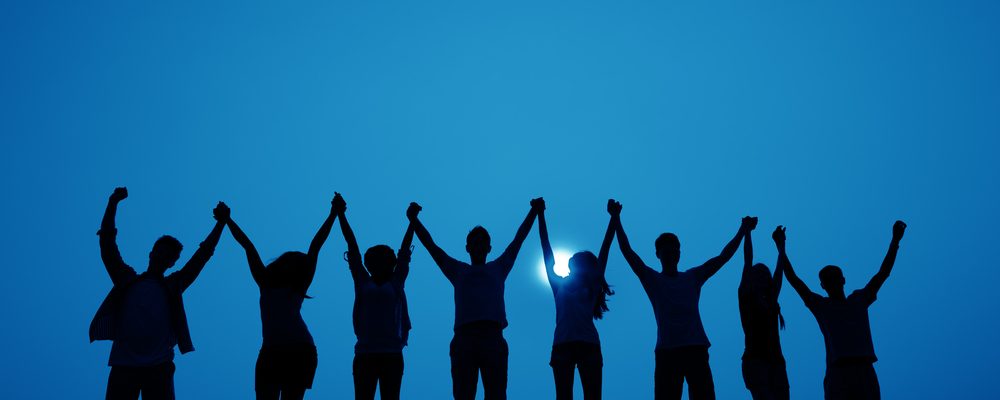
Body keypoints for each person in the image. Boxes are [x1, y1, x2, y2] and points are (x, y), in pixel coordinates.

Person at [90, 187, 227, 400]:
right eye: (161, 252)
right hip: (123, 364)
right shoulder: (127, 279)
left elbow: (201, 256)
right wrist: (113, 202)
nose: (163, 257)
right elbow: (107, 244)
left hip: (159, 365)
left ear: (172, 262)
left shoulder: (173, 284)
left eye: (169, 256)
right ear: (152, 253)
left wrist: (221, 224)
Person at [614, 199, 755, 400]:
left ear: (679, 253)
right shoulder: (652, 279)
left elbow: (723, 257)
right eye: (666, 250)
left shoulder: (693, 277)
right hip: (667, 353)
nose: (671, 253)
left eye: (674, 249)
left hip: (695, 349)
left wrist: (743, 230)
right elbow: (628, 252)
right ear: (658, 254)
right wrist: (617, 218)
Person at [408, 198, 542, 400]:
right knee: (463, 394)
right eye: (475, 242)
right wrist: (413, 220)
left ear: (489, 248)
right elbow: (431, 247)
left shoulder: (498, 267)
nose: (479, 246)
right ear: (467, 248)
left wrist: (533, 211)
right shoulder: (458, 271)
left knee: (496, 394)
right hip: (465, 338)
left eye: (482, 243)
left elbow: (518, 240)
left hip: (493, 337)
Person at [225, 196, 337, 400]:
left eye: (297, 264)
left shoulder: (298, 285)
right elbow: (248, 247)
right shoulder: (265, 282)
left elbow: (316, 245)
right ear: (282, 263)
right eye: (291, 261)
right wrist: (228, 221)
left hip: (299, 350)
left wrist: (333, 215)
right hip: (271, 350)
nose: (293, 266)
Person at [779, 221, 906, 400]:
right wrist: (781, 247)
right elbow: (794, 279)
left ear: (843, 280)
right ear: (823, 285)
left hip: (864, 369)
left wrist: (894, 241)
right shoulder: (821, 306)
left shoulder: (859, 299)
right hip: (839, 372)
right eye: (828, 279)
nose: (832, 282)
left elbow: (883, 273)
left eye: (835, 278)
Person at [334, 193, 415, 400]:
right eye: (374, 261)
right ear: (370, 264)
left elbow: (404, 252)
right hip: (365, 353)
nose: (378, 264)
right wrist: (340, 215)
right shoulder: (363, 281)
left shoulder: (395, 283)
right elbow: (352, 246)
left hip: (392, 353)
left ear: (389, 263)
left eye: (383, 260)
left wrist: (412, 221)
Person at [537, 199, 618, 400]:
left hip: (588, 345)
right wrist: (540, 215)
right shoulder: (559, 285)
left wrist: (614, 218)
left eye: (576, 259)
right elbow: (546, 251)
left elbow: (605, 249)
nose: (571, 260)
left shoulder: (592, 284)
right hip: (562, 345)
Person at [738, 224, 789, 400]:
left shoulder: (772, 299)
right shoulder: (747, 297)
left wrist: (781, 245)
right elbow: (747, 261)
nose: (761, 276)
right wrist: (747, 233)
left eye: (764, 274)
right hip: (756, 360)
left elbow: (779, 269)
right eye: (757, 273)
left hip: (776, 361)